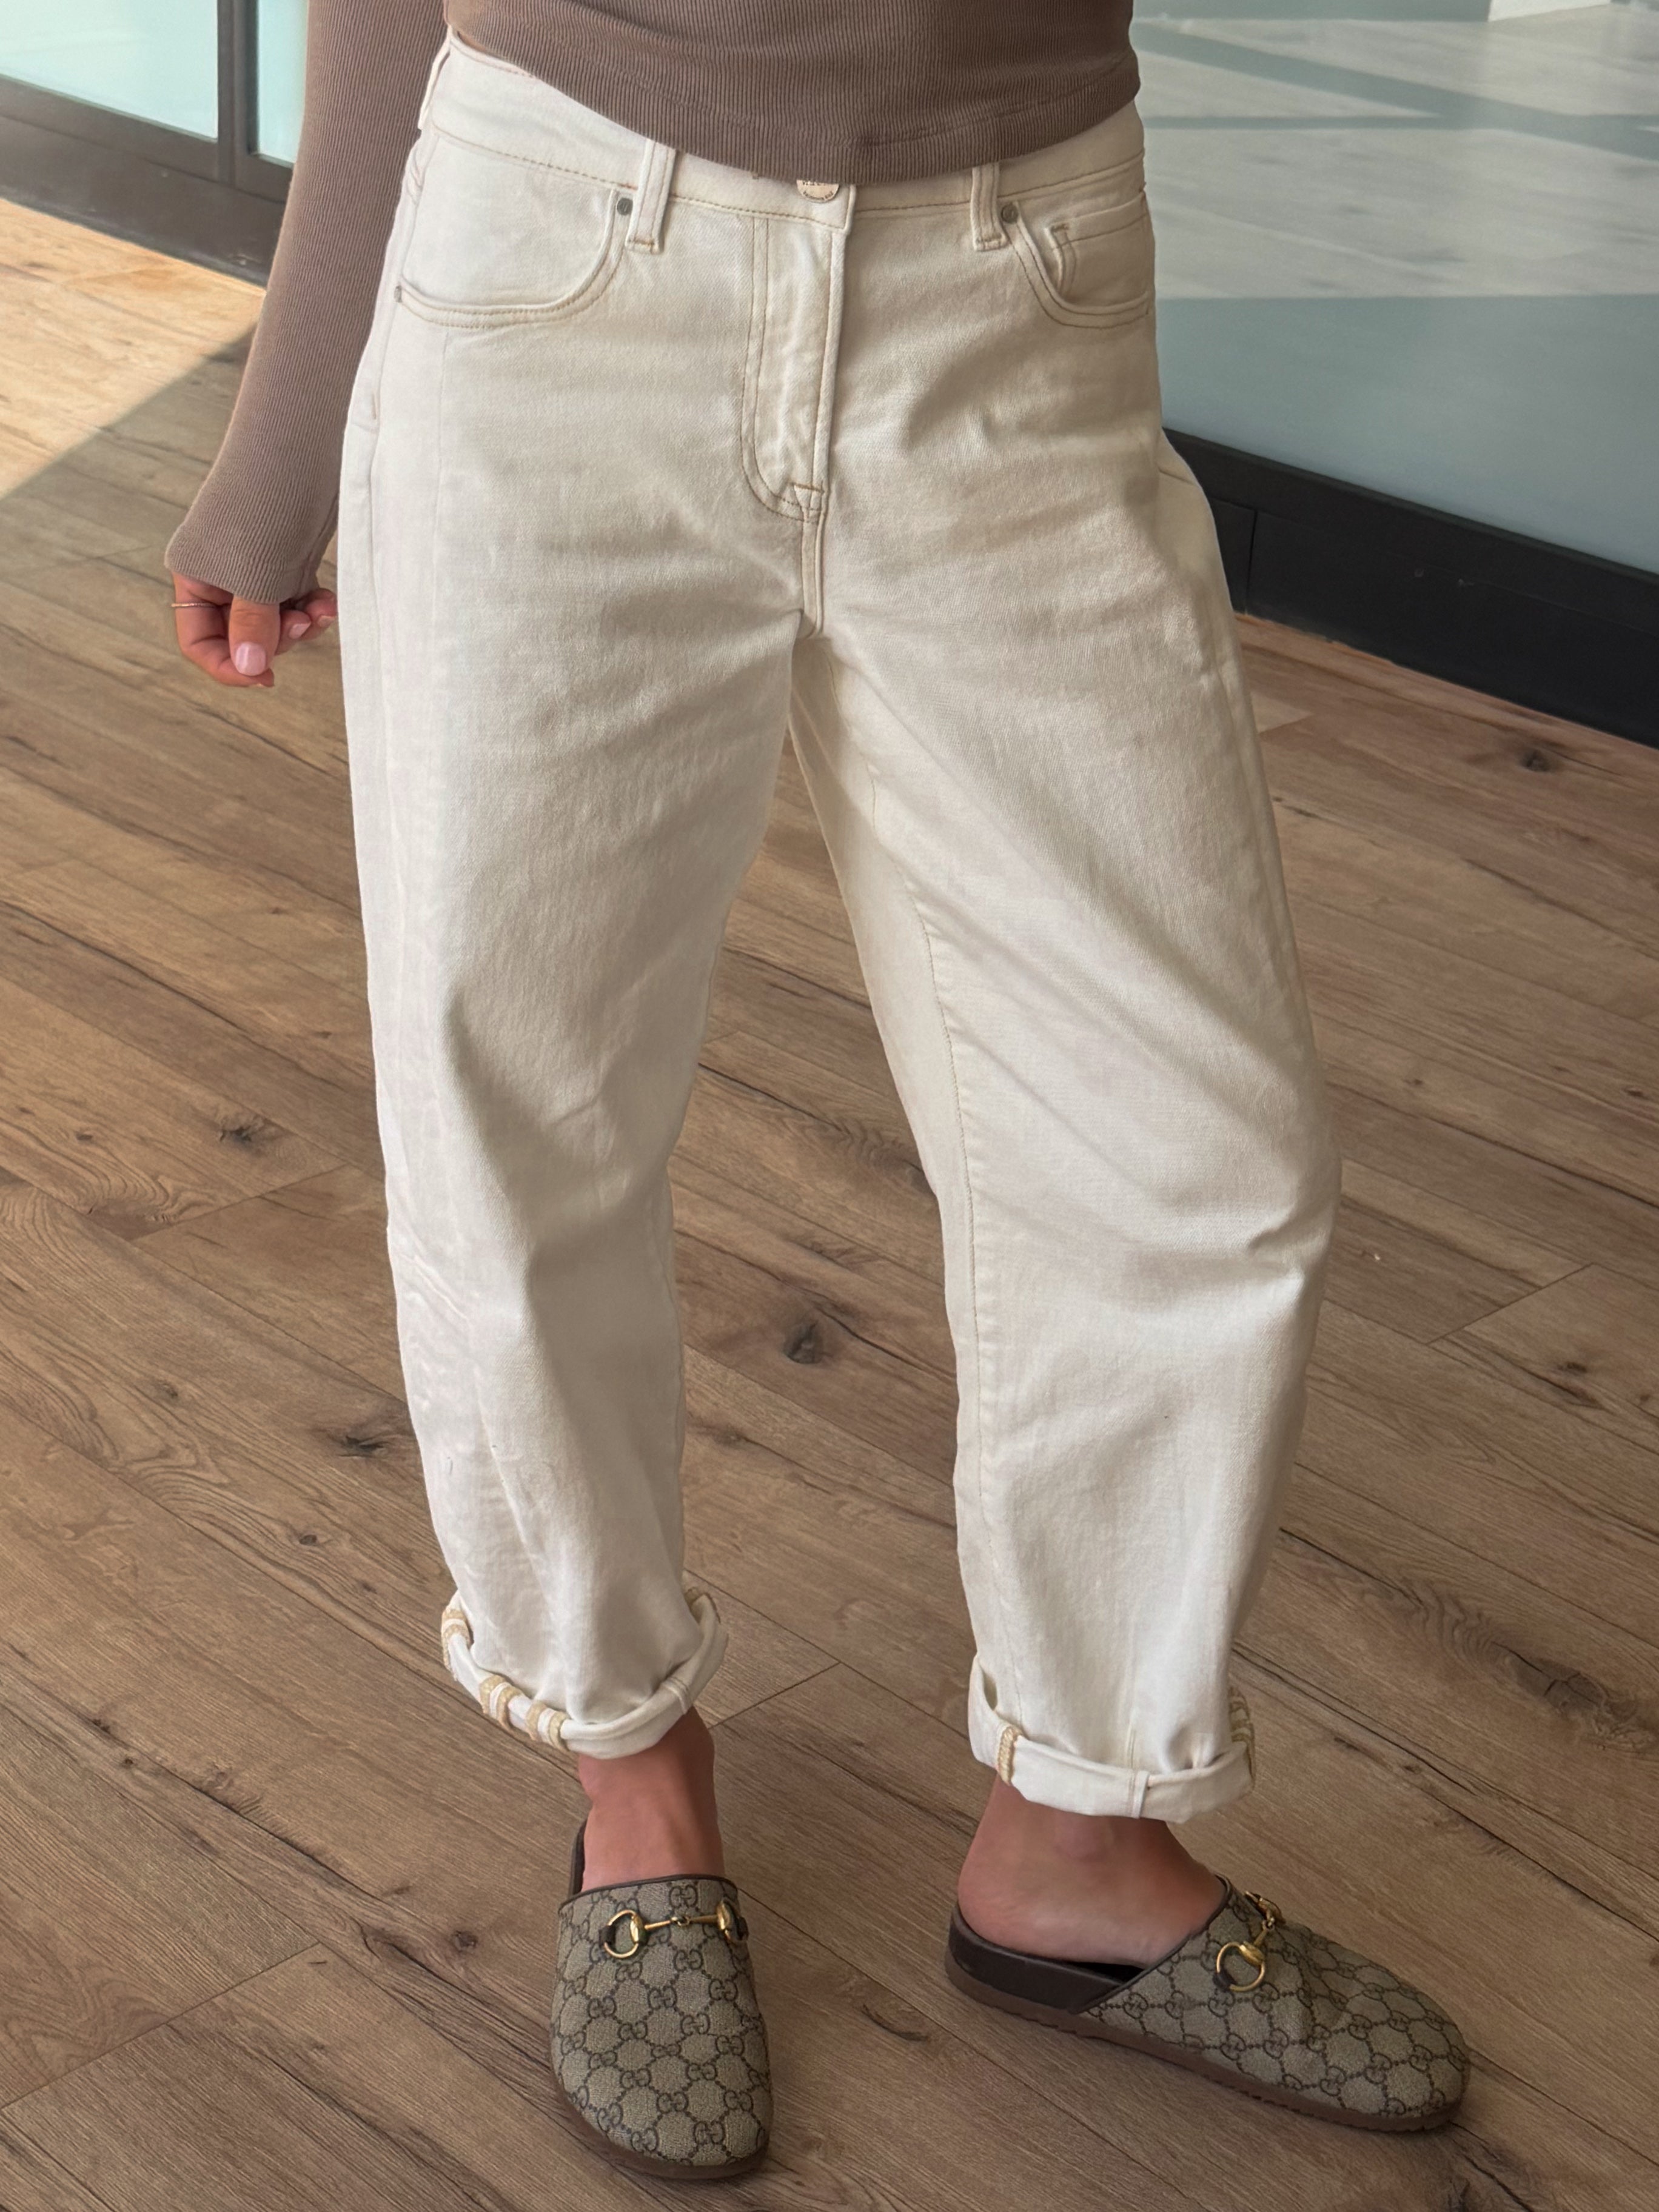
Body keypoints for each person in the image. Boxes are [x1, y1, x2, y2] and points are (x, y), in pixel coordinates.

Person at [167, 1, 1469, 2177]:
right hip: (561, 255)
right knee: (520, 1115)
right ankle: (632, 1784)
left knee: (1193, 1149)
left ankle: (1077, 1835)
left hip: (1016, 267)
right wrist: (289, 422)